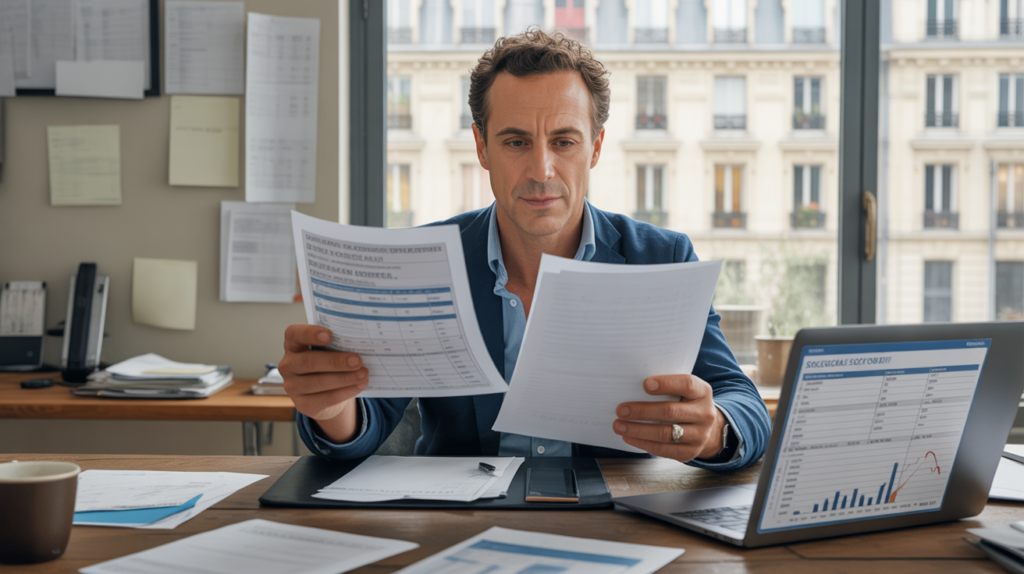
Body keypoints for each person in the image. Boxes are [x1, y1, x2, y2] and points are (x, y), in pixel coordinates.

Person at [280, 29, 771, 470]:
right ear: (482, 148)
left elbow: (742, 403)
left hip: (616, 521)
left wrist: (713, 432)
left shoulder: (661, 258)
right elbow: (367, 423)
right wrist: (331, 409)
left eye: (564, 141)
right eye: (516, 142)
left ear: (595, 148)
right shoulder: (424, 261)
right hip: (457, 524)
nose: (541, 170)